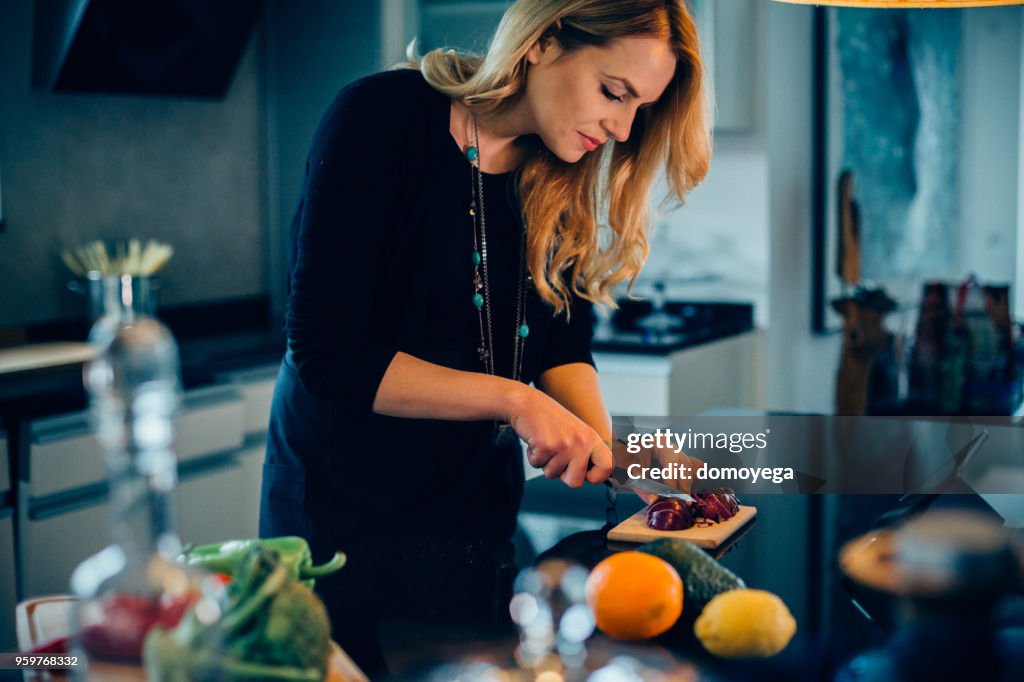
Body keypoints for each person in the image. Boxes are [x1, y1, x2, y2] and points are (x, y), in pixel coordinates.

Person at [260, 0, 711, 673]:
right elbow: (329, 353)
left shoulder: (559, 174)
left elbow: (560, 345)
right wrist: (516, 401)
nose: (621, 126)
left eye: (637, 109)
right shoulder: (380, 120)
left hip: (471, 523)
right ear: (545, 41)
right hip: (339, 519)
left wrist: (616, 456)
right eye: (614, 92)